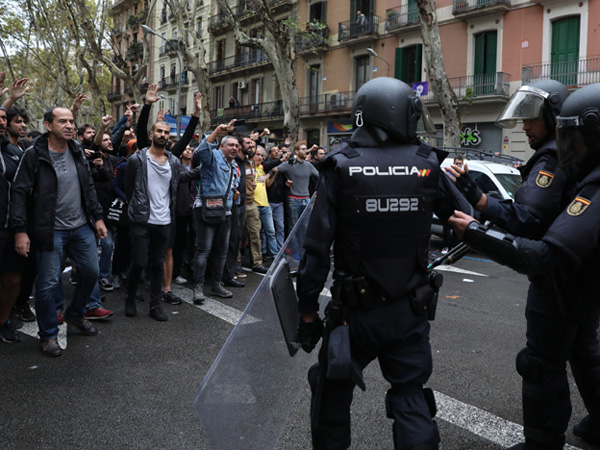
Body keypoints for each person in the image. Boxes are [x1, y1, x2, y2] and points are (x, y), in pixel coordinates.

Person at [295, 77, 470, 449]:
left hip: (353, 315)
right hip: (410, 311)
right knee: (410, 397)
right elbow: (466, 219)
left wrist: (307, 312)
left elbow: (315, 250)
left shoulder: (341, 166)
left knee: (331, 394)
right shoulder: (426, 163)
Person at [449, 83, 600, 450]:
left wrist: (477, 232)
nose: (568, 148)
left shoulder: (583, 178)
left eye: (574, 137)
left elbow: (539, 242)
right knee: (583, 350)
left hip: (563, 278)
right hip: (583, 279)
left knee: (541, 361)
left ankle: (542, 442)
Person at [11, 107, 108, 357]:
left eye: (72, 121)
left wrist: (97, 218)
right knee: (47, 285)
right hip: (50, 231)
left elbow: (88, 187)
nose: (69, 125)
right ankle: (48, 335)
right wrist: (20, 231)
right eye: (62, 121)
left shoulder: (76, 150)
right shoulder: (34, 154)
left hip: (80, 227)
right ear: (48, 125)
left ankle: (75, 314)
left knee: (91, 272)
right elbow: (19, 193)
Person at [191, 122, 240, 304]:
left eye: (237, 146)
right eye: (231, 145)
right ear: (222, 146)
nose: (235, 148)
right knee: (203, 250)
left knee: (221, 252)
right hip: (205, 209)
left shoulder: (233, 163)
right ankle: (198, 287)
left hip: (225, 212)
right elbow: (202, 150)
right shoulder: (213, 157)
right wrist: (217, 133)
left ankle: (216, 285)